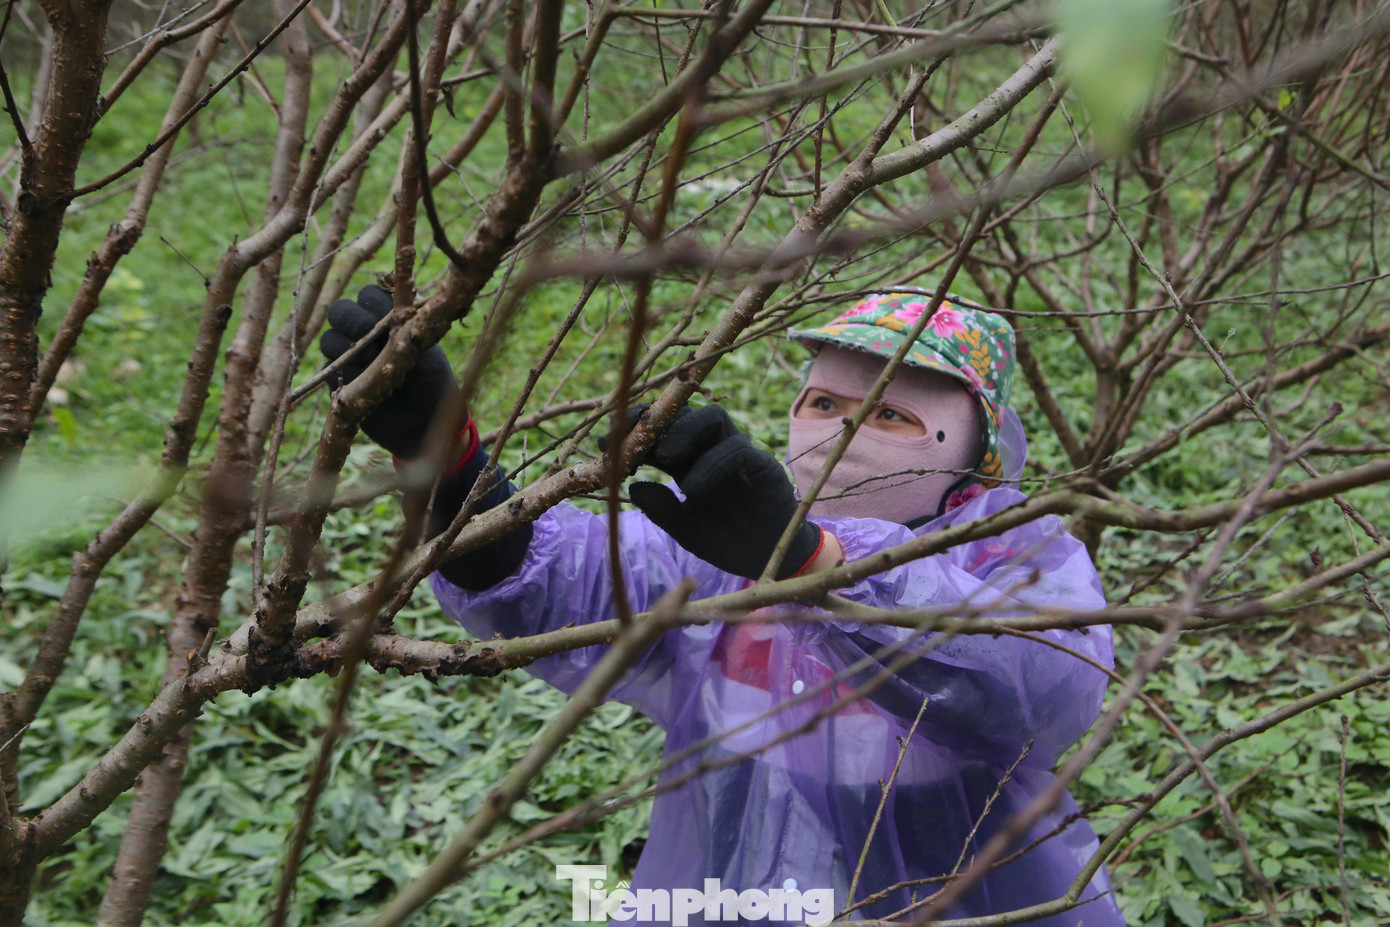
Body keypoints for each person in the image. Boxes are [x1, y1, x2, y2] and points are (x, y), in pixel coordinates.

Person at [322, 288, 1126, 926]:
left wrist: (817, 565)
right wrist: (447, 463)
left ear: (973, 459)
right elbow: (555, 580)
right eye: (824, 404)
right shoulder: (721, 546)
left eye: (892, 414)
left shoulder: (1016, 553)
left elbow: (1044, 680)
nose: (844, 433)